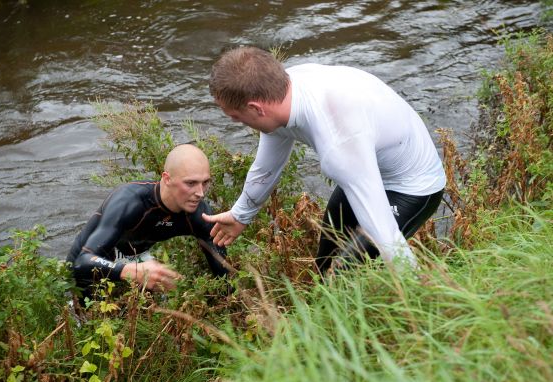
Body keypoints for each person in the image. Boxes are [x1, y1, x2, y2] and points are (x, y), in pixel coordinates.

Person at [202, 46, 446, 272]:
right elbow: (267, 165)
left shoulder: (338, 140)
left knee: (343, 272)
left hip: (413, 187)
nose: (237, 123)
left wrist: (417, 296)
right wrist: (240, 215)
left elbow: (385, 233)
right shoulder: (279, 89)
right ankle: (322, 307)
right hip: (365, 166)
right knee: (325, 260)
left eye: (236, 117)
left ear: (256, 108)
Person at [66, 144, 229, 299]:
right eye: (190, 183)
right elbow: (82, 262)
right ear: (167, 179)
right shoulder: (130, 202)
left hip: (132, 260)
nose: (200, 193)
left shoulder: (199, 214)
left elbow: (224, 278)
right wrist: (133, 272)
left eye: (205, 182)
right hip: (87, 266)